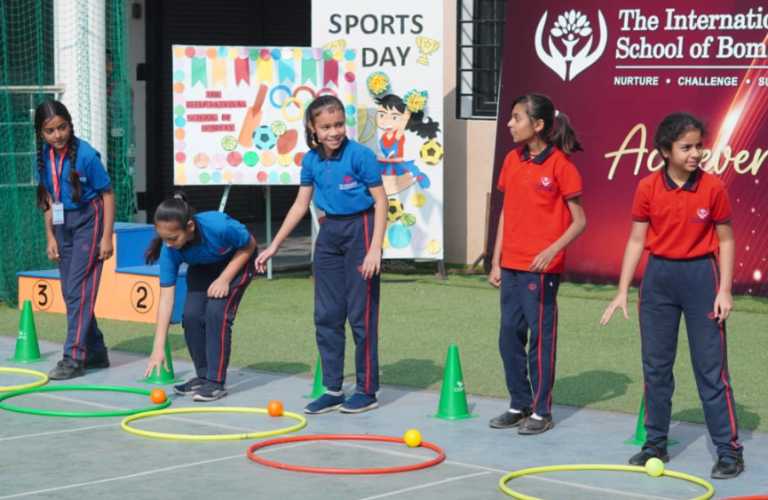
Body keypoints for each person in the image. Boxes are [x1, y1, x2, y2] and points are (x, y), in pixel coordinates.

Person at [601, 113, 744, 479]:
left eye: (699, 145)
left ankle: (729, 450)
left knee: (711, 370)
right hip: (658, 280)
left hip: (702, 279)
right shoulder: (647, 187)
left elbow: (726, 241)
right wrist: (622, 290)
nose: (695, 153)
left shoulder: (713, 188)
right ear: (665, 150)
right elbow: (637, 240)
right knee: (656, 368)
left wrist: (725, 290)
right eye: (686, 147)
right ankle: (655, 443)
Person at [255, 95, 388, 414]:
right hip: (328, 232)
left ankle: (367, 390)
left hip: (361, 229)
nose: (334, 131)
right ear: (312, 128)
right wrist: (274, 245)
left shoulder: (361, 156)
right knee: (326, 314)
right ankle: (333, 389)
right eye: (326, 126)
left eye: (339, 124)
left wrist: (374, 249)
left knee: (361, 315)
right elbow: (300, 205)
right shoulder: (311, 160)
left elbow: (381, 202)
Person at [488, 93, 586, 435]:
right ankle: (519, 404)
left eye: (517, 118)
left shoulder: (562, 166)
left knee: (540, 340)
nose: (510, 124)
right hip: (511, 265)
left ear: (539, 124)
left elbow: (579, 221)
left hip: (541, 271)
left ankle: (542, 412)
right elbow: (506, 212)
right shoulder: (511, 159)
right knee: (508, 337)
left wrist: (551, 250)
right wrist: (497, 260)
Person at [144, 194, 258, 402]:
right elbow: (166, 301)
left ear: (190, 226)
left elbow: (248, 246)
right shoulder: (169, 250)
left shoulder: (218, 225)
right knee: (191, 315)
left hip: (238, 261)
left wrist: (224, 279)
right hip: (203, 268)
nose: (168, 244)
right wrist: (158, 347)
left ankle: (216, 382)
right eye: (164, 239)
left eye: (173, 238)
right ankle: (203, 376)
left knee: (216, 313)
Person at [34, 99, 116, 380]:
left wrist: (106, 238)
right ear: (41, 133)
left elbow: (108, 194)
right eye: (50, 131)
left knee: (78, 291)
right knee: (71, 292)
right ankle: (96, 350)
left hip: (88, 222)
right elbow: (48, 198)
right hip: (61, 225)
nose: (57, 135)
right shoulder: (42, 157)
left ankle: (73, 357)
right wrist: (50, 236)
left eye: (62, 127)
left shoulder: (87, 156)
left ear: (70, 125)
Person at [375, 93, 439, 191]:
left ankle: (418, 178)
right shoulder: (383, 135)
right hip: (382, 165)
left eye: (394, 117)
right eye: (382, 115)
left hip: (395, 166)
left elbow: (404, 120)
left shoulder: (397, 134)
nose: (387, 121)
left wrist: (411, 105)